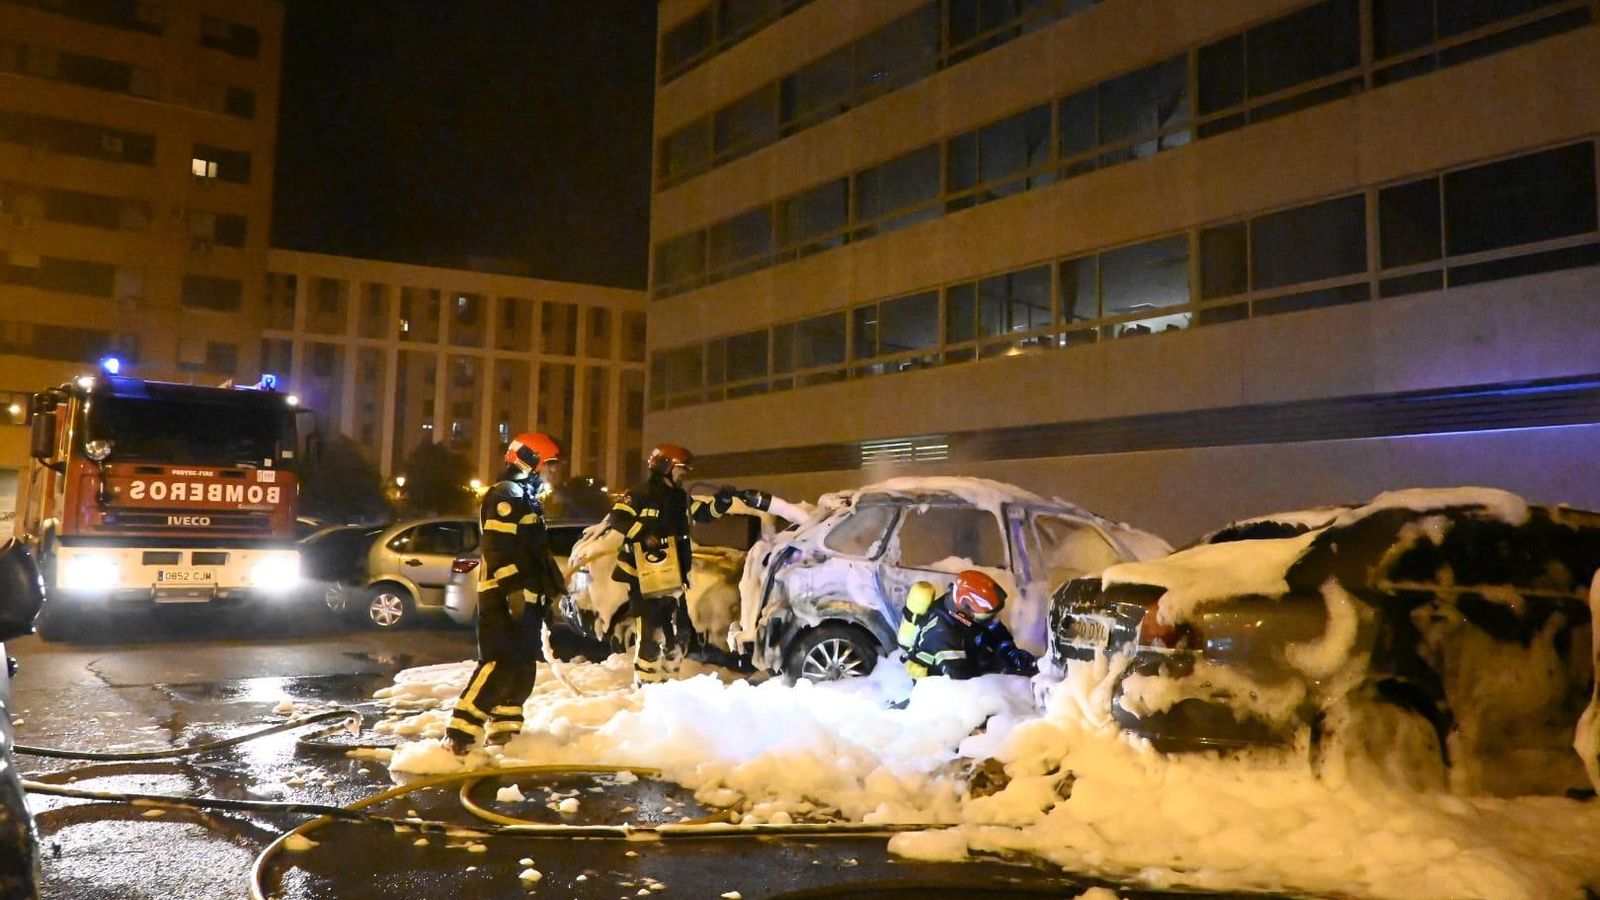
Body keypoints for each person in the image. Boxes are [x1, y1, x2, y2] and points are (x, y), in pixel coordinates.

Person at [444, 432, 568, 755]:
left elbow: (537, 554)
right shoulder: (505, 494)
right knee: (498, 665)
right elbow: (499, 548)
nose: (554, 471)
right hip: (503, 598)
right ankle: (460, 737)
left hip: (525, 598)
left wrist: (553, 592)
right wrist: (513, 589)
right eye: (550, 464)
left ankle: (503, 738)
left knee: (521, 670)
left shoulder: (527, 498)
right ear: (530, 460)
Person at [605, 443, 757, 687]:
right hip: (644, 578)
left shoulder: (679, 498)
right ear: (665, 466)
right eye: (680, 469)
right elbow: (617, 518)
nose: (683, 474)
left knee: (675, 633)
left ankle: (667, 683)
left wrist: (723, 502)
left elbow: (704, 514)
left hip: (671, 576)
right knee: (650, 634)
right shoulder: (640, 493)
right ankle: (647, 685)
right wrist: (644, 535)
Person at [897, 570, 1038, 681]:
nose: (991, 619)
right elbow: (961, 680)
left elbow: (996, 632)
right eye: (987, 615)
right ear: (966, 608)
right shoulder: (942, 633)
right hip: (940, 683)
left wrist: (1010, 653)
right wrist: (999, 671)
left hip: (967, 661)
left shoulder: (967, 616)